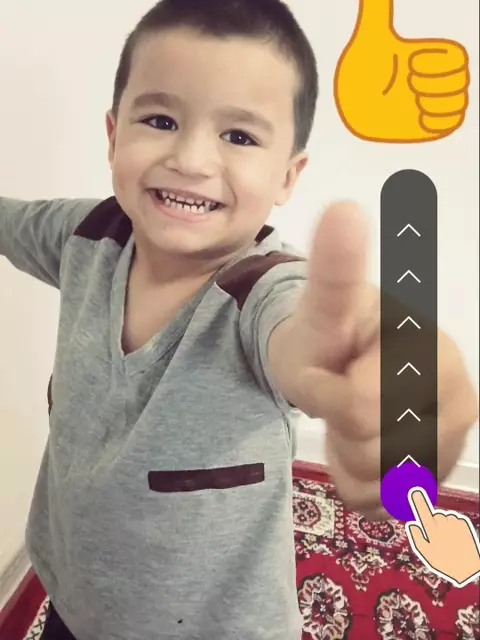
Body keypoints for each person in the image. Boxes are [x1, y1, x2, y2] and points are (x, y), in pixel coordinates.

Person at [0, 0, 477, 638]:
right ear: (114, 136)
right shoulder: (86, 234)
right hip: (70, 589)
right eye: (161, 120)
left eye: (240, 136)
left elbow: (299, 333)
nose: (192, 159)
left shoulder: (262, 292)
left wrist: (366, 360)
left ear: (287, 176)